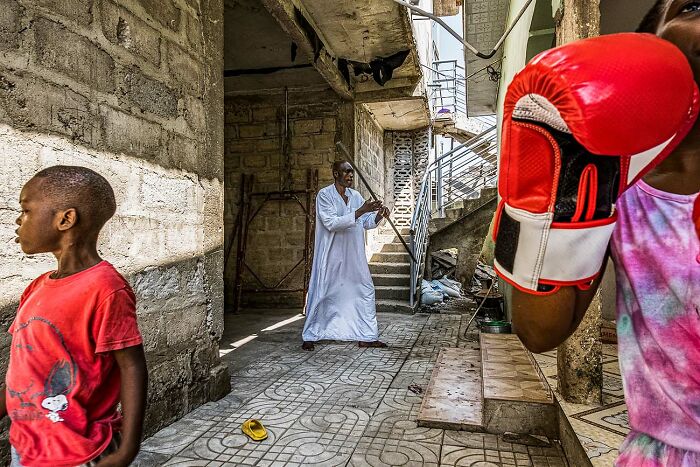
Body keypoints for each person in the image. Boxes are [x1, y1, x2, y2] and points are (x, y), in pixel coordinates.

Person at [498, 2, 700, 466]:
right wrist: (549, 194)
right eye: (693, 5)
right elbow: (537, 330)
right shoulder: (620, 186)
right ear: (652, 44)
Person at [5, 166, 148, 467]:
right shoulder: (36, 287)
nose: (18, 220)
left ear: (65, 219)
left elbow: (132, 366)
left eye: (26, 210)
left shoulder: (106, 289)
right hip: (26, 446)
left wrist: (128, 449)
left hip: (79, 452)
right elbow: (24, 372)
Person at [301, 160, 391, 351]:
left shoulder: (356, 196)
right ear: (335, 174)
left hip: (354, 255)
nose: (350, 176)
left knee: (365, 290)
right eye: (346, 172)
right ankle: (310, 334)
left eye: (351, 172)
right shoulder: (324, 195)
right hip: (331, 254)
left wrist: (379, 215)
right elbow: (331, 223)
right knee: (323, 292)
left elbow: (366, 222)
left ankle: (367, 335)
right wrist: (361, 210)